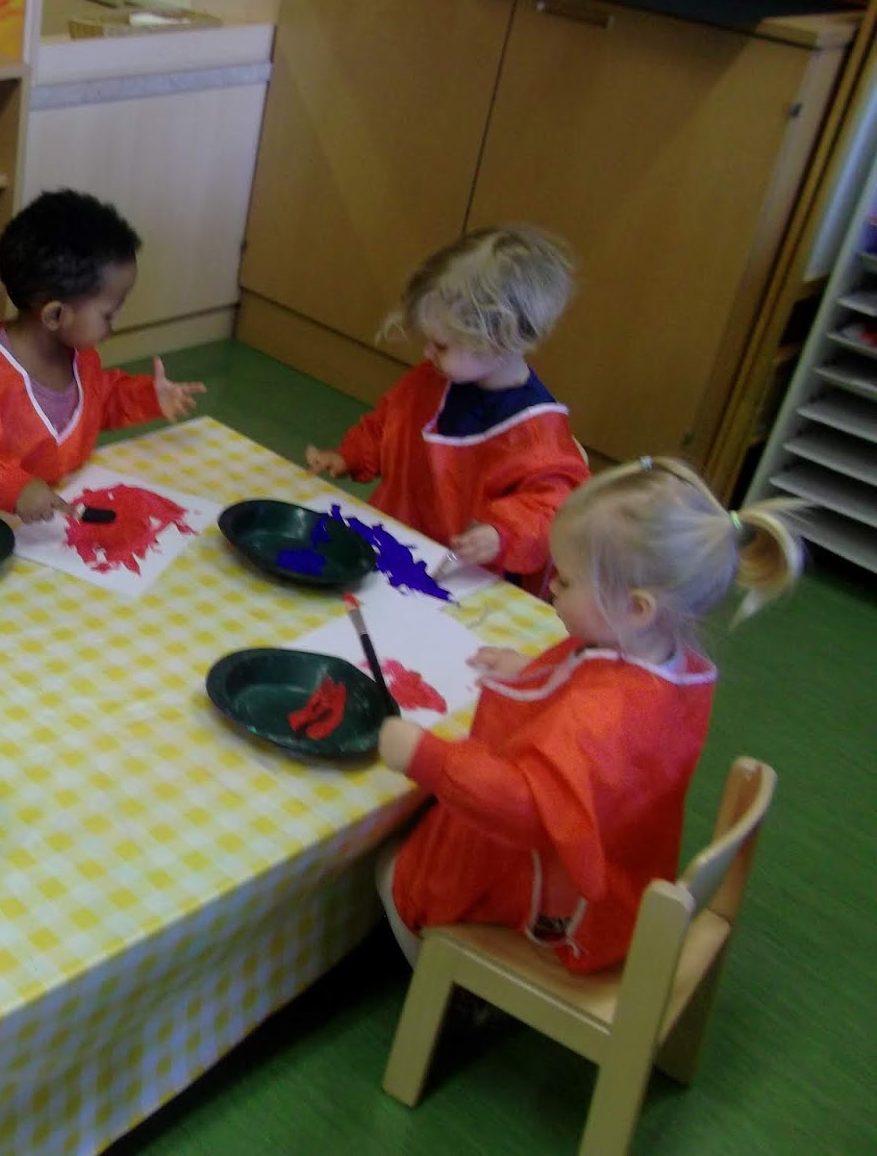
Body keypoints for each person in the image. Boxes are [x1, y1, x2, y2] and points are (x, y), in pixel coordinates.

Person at [373, 457, 803, 973]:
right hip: (625, 863)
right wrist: (533, 671)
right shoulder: (666, 660)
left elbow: (528, 809)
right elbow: (591, 692)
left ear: (636, 608)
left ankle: (450, 982)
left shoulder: (608, 713)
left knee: (393, 868)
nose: (552, 586)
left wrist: (424, 756)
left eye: (568, 581)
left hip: (569, 897)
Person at [306, 225, 589, 591]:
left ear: (498, 343)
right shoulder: (431, 379)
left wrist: (502, 533)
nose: (427, 353)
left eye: (440, 345)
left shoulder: (537, 435)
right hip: (393, 546)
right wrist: (350, 455)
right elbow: (387, 425)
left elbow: (552, 510)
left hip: (465, 581)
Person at [0, 189, 204, 521]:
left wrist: (148, 397)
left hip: (60, 515)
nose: (115, 323)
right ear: (55, 315)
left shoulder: (80, 358)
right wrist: (14, 487)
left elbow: (99, 401)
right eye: (108, 314)